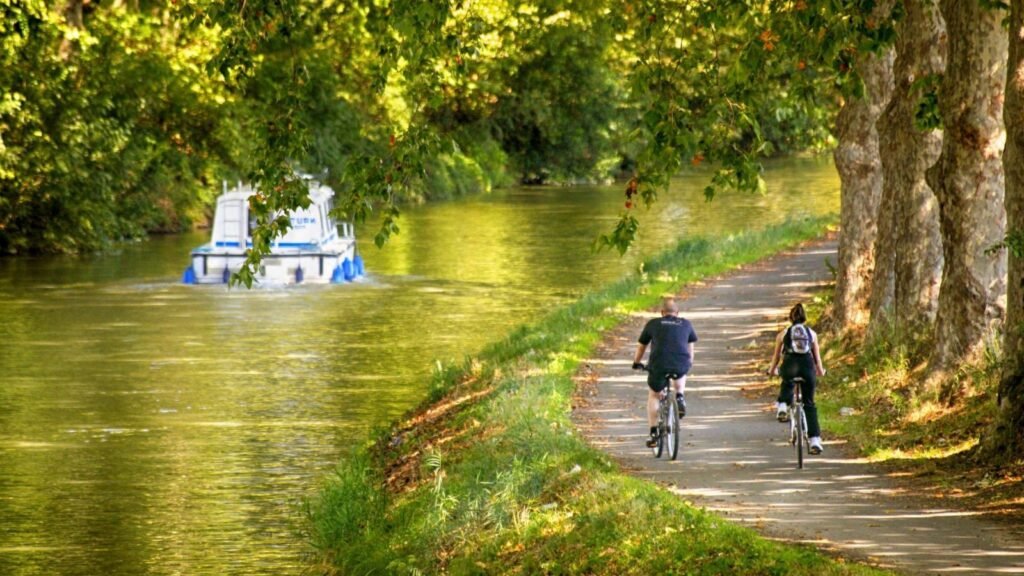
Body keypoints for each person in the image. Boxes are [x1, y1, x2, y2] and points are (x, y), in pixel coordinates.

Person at [632, 297, 698, 448]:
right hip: (680, 362)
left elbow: (641, 346)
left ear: (662, 312)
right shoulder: (686, 324)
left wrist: (636, 362)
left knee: (654, 394)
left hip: (659, 364)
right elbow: (690, 349)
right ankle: (680, 396)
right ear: (677, 312)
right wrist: (688, 364)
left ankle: (654, 432)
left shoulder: (653, 323)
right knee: (681, 370)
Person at [767, 303, 826, 454]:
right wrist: (820, 371)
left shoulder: (783, 334)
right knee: (809, 404)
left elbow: (777, 357)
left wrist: (772, 370)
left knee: (787, 379)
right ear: (804, 318)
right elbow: (817, 359)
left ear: (790, 318)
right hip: (807, 368)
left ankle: (782, 406)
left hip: (789, 365)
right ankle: (815, 441)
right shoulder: (812, 334)